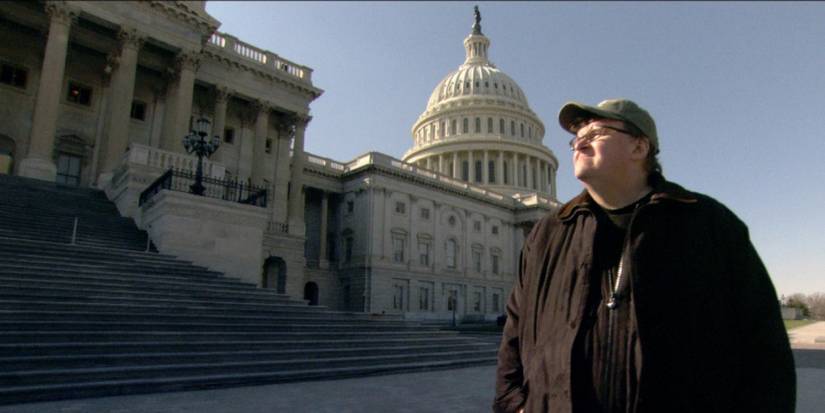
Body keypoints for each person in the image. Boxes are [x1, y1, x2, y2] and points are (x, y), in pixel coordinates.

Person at [493, 99, 795, 413]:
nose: (579, 141)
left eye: (596, 133)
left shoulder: (708, 225)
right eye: (576, 136)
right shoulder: (548, 234)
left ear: (639, 148)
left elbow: (764, 347)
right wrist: (513, 404)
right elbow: (515, 332)